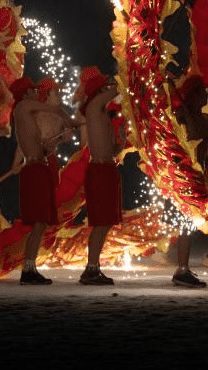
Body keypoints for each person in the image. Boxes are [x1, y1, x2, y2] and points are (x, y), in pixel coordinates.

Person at [9, 77, 83, 284]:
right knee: (39, 220)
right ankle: (28, 270)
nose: (37, 93)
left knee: (40, 221)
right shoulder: (24, 106)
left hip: (36, 166)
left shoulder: (27, 113)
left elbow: (41, 144)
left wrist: (57, 139)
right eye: (33, 91)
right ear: (25, 95)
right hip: (35, 169)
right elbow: (57, 111)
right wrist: (72, 122)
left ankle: (30, 267)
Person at [76, 67, 121, 286]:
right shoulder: (93, 107)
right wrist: (123, 75)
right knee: (101, 221)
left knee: (107, 221)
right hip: (99, 170)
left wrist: (120, 138)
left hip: (107, 168)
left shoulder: (101, 111)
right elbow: (118, 89)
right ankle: (90, 268)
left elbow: (112, 149)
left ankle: (93, 267)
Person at [168, 75, 208, 287]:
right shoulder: (180, 117)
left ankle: (184, 267)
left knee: (191, 223)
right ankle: (182, 269)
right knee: (185, 223)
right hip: (184, 175)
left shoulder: (204, 119)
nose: (206, 94)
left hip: (199, 174)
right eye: (202, 91)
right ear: (193, 94)